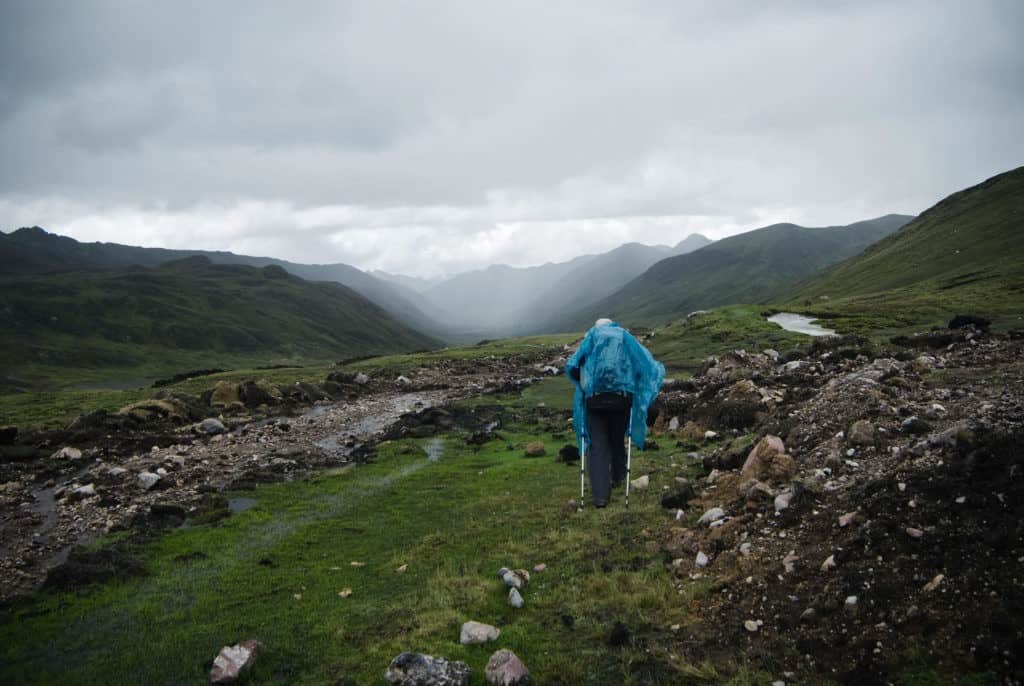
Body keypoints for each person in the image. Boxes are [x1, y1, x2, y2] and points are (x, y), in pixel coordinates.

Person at [565, 318, 665, 507]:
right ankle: (618, 477)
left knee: (597, 446)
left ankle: (600, 497)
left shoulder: (591, 337)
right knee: (617, 439)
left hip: (594, 400)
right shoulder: (624, 337)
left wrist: (582, 383)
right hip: (621, 399)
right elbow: (644, 364)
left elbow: (573, 365)